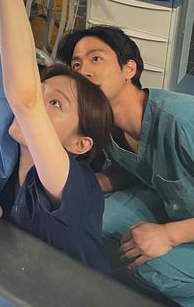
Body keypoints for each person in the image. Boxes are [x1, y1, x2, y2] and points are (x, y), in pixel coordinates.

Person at [0, 0, 114, 276]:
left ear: (80, 143)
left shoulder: (78, 189)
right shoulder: (6, 174)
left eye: (55, 103)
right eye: (42, 92)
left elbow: (26, 100)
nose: (37, 105)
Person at [57, 25, 194, 307]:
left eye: (96, 59)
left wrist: (169, 235)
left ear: (128, 69)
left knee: (150, 264)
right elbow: (136, 165)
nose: (84, 71)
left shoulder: (182, 121)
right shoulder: (105, 126)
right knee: (91, 216)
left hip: (183, 223)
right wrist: (94, 185)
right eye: (76, 64)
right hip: (173, 206)